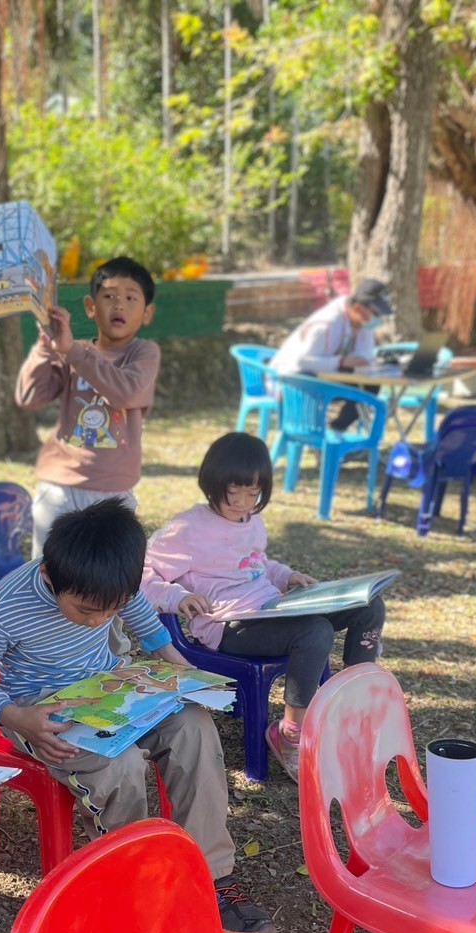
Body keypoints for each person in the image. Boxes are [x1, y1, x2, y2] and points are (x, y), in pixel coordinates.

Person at [0, 497, 276, 933]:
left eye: (110, 609)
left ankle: (208, 875)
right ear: (50, 576)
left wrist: (179, 671)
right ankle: (131, 880)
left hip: (111, 684)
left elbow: (142, 617)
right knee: (118, 764)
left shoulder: (112, 582)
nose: (99, 620)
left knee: (194, 726)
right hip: (41, 709)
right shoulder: (7, 606)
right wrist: (17, 717)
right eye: (86, 610)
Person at [142, 432, 385, 782]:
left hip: (273, 608)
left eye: (253, 493)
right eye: (234, 492)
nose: (243, 503)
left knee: (369, 605)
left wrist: (287, 576)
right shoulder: (187, 529)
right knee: (315, 632)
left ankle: (353, 703)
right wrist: (176, 597)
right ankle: (290, 735)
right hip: (230, 625)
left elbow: (257, 564)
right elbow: (142, 573)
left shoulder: (252, 521)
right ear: (213, 482)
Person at [14, 256, 159, 558]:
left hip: (113, 489)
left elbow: (126, 392)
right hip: (59, 485)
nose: (119, 306)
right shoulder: (71, 349)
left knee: (109, 574)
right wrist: (45, 346)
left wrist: (72, 352)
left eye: (130, 298)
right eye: (109, 297)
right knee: (46, 570)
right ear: (91, 307)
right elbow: (29, 396)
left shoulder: (144, 353)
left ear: (147, 313)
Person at [272, 277, 392, 432]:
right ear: (357, 308)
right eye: (376, 313)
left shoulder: (362, 322)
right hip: (289, 381)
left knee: (370, 385)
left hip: (324, 377)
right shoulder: (327, 323)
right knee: (310, 380)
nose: (378, 319)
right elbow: (301, 363)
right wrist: (342, 362)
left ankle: (337, 430)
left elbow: (365, 356)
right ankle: (309, 435)